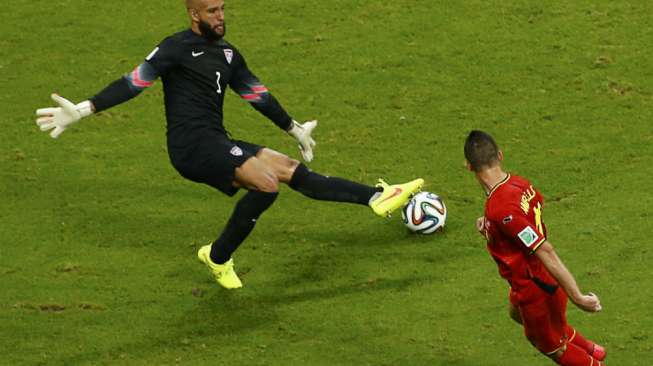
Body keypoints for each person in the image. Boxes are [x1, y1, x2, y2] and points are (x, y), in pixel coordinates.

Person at [35, 0, 423, 289]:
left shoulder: (228, 54)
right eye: (212, 11)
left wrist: (294, 129)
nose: (220, 17)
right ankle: (218, 256)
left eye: (222, 9)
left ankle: (375, 197)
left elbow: (258, 96)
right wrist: (84, 110)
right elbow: (133, 83)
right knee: (266, 184)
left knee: (288, 168)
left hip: (215, 140)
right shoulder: (174, 48)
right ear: (194, 15)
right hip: (190, 147)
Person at [464, 130, 606, 365]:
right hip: (534, 280)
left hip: (535, 284)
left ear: (468, 166)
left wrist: (578, 298)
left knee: (552, 346)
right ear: (500, 155)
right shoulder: (519, 184)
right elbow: (520, 219)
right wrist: (489, 225)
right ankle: (593, 350)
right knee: (515, 313)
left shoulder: (501, 209)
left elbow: (544, 250)